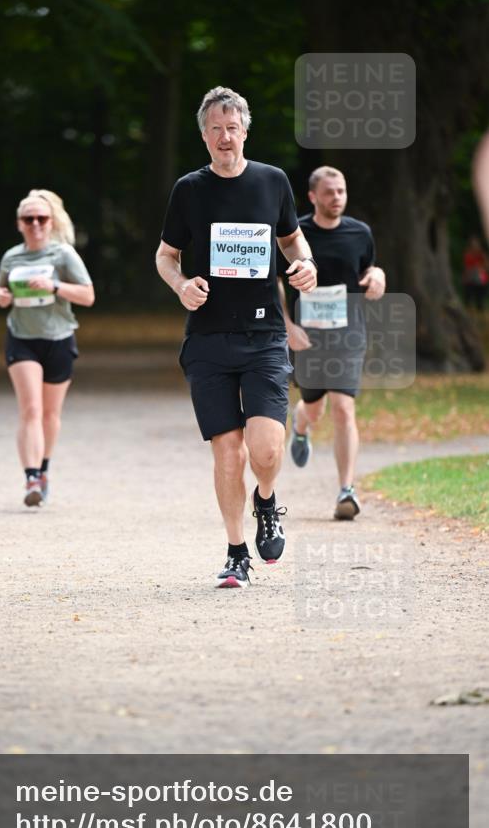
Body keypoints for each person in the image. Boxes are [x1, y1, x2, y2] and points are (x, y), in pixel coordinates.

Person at [155, 86, 317, 589]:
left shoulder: (272, 182)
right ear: (203, 135)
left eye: (233, 127)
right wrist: (182, 285)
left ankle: (265, 500)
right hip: (207, 339)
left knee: (265, 450)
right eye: (215, 129)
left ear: (245, 131)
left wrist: (305, 263)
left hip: (265, 333)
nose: (225, 137)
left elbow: (291, 239)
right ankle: (235, 552)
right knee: (228, 452)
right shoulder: (189, 189)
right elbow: (165, 255)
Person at [280, 166, 385, 520]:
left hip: (348, 334)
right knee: (315, 407)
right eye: (328, 192)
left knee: (343, 408)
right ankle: (300, 425)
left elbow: (369, 269)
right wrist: (288, 325)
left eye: (340, 191)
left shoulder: (360, 232)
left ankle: (346, 490)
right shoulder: (295, 234)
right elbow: (275, 283)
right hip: (306, 337)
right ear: (312, 196)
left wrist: (377, 276)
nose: (336, 198)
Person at [0, 189, 95, 506]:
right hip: (22, 338)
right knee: (31, 410)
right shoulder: (11, 256)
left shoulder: (63, 255)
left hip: (59, 338)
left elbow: (88, 296)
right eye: (29, 219)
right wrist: (1, 296)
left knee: (50, 414)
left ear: (50, 222)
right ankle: (31, 478)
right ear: (19, 223)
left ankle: (44, 468)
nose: (35, 223)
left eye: (41, 218)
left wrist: (54, 286)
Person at [461, 234, 488, 311]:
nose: (475, 246)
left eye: (476, 244)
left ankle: (480, 312)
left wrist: (481, 267)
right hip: (471, 279)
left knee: (480, 302)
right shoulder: (468, 255)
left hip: (480, 280)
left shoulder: (482, 255)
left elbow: (486, 267)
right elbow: (466, 268)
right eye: (473, 244)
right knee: (468, 299)